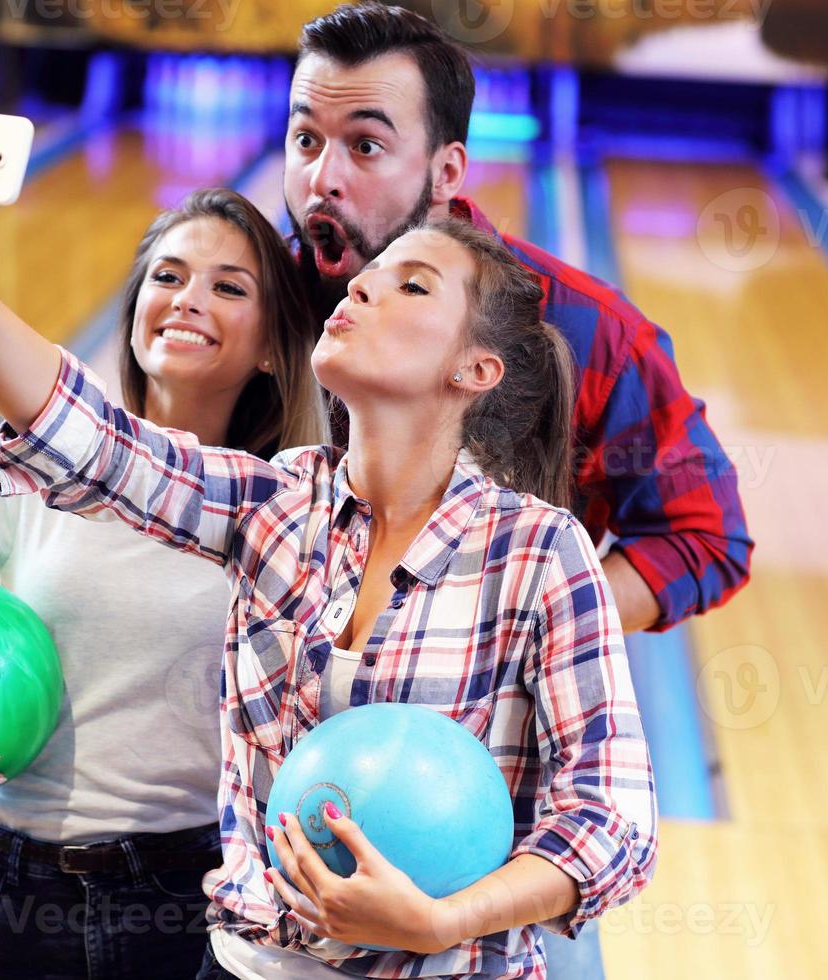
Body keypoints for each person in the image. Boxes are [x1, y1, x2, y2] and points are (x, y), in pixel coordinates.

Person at [0, 141, 658, 977]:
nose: (361, 286)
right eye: (368, 278)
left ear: (475, 369)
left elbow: (609, 820)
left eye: (411, 286)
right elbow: (83, 435)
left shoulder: (541, 553)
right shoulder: (272, 506)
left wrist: (443, 920)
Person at [0, 91, 327, 980]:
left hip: (187, 897)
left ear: (274, 347)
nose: (189, 300)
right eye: (168, 276)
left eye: (230, 287)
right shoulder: (35, 466)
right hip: (8, 882)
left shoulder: (287, 508)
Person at [284, 2, 753, 638]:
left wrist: (521, 633)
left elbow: (703, 535)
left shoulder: (588, 331)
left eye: (367, 146)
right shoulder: (258, 295)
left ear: (445, 171)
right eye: (306, 139)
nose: (322, 179)